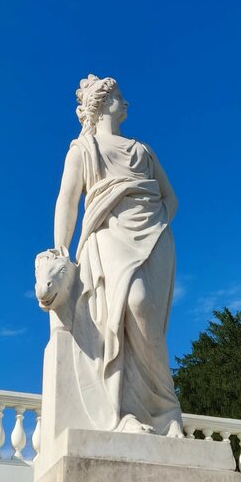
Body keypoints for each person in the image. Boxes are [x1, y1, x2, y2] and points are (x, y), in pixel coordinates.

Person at [53, 74, 184, 437]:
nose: (125, 103)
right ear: (102, 104)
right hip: (107, 231)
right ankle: (121, 411)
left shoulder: (143, 150)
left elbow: (170, 198)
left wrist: (156, 223)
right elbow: (67, 200)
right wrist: (61, 249)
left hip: (154, 235)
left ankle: (165, 413)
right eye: (118, 97)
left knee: (149, 318)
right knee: (130, 305)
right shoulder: (84, 150)